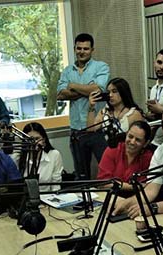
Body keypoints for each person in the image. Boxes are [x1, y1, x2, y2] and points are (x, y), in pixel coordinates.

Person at [57, 33, 110, 180]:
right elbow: (60, 95)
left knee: (107, 170)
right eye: (79, 48)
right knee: (81, 174)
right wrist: (87, 89)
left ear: (92, 49)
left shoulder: (101, 67)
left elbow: (98, 89)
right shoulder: (68, 70)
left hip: (97, 128)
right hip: (76, 130)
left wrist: (72, 86)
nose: (82, 51)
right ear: (74, 49)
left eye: (86, 48)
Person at [97, 121, 153, 192]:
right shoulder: (113, 149)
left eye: (138, 140)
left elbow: (146, 186)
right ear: (126, 134)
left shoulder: (148, 157)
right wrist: (132, 187)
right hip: (110, 194)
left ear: (145, 143)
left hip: (135, 198)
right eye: (130, 136)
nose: (132, 142)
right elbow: (103, 183)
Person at [12, 122, 63, 192]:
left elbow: (56, 186)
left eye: (37, 138)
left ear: (44, 139)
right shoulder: (16, 158)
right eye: (29, 139)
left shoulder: (54, 155)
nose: (33, 142)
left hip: (47, 198)